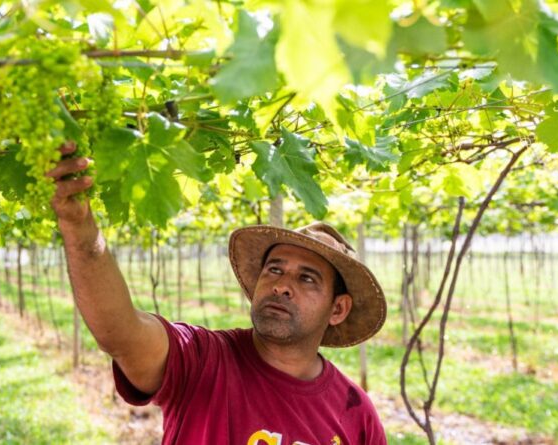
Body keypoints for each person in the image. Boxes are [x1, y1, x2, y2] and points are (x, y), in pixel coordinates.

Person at [48, 142, 388, 445]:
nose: (282, 284)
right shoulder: (201, 359)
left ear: (338, 309)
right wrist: (80, 229)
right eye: (274, 269)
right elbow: (120, 334)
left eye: (308, 279)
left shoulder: (355, 413)